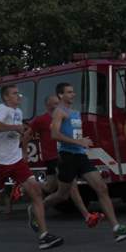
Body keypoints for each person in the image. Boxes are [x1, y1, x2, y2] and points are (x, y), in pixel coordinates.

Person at [0, 85, 62, 250]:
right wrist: (14, 127)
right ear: (6, 97)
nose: (19, 96)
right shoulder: (2, 109)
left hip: (16, 160)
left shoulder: (18, 112)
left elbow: (19, 133)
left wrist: (23, 149)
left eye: (19, 93)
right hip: (0, 161)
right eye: (15, 94)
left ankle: (44, 235)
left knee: (36, 192)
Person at [44, 82, 126, 243]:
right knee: (62, 194)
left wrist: (82, 142)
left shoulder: (75, 112)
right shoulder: (59, 112)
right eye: (69, 92)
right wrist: (78, 142)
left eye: (73, 92)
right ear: (61, 95)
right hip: (67, 157)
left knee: (101, 187)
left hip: (81, 156)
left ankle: (117, 228)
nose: (73, 95)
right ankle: (38, 208)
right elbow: (54, 135)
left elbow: (74, 132)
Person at [28, 92, 99, 227]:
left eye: (58, 103)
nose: (57, 105)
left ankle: (31, 196)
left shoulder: (64, 116)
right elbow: (27, 135)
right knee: (71, 188)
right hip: (52, 157)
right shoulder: (40, 120)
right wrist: (24, 153)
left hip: (64, 155)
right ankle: (87, 215)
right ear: (47, 105)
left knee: (53, 188)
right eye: (55, 103)